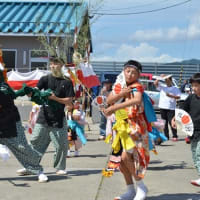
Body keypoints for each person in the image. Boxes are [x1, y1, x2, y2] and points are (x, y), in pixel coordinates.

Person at [17, 56, 75, 176]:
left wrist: (55, 98)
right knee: (35, 142)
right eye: (51, 64)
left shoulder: (67, 82)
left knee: (61, 145)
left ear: (61, 65)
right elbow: (36, 91)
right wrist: (30, 92)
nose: (52, 66)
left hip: (58, 118)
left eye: (55, 63)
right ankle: (30, 166)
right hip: (43, 117)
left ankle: (60, 167)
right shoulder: (45, 79)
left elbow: (69, 100)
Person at [104, 60, 152, 200]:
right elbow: (109, 99)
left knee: (126, 157)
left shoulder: (137, 86)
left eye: (133, 72)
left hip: (135, 126)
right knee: (121, 161)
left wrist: (114, 108)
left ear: (138, 75)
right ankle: (130, 189)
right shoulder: (121, 85)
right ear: (123, 71)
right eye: (127, 71)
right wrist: (120, 94)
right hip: (121, 126)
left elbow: (136, 100)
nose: (130, 74)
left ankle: (141, 186)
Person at [0, 65, 47, 183]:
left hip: (11, 121)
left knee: (22, 147)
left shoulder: (4, 86)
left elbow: (13, 95)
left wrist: (23, 91)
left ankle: (37, 170)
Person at [172, 73, 200, 187]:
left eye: (196, 85)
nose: (194, 88)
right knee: (194, 154)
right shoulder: (191, 97)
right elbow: (183, 109)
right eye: (192, 85)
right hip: (193, 131)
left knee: (199, 153)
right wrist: (175, 118)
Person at [154, 74, 181, 141]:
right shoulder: (163, 87)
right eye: (165, 80)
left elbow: (178, 97)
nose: (166, 81)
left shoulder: (175, 88)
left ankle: (175, 135)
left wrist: (171, 96)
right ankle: (166, 136)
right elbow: (155, 83)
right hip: (162, 106)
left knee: (171, 122)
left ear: (171, 80)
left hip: (171, 107)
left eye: (168, 80)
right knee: (164, 122)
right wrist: (159, 77)